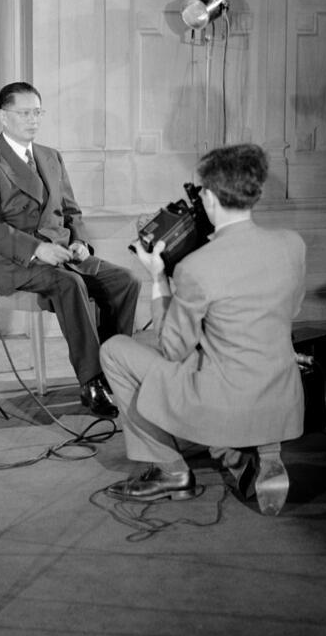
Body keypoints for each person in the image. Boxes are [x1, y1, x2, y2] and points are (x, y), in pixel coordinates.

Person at [99, 143, 307, 516]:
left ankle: (171, 470)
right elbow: (286, 311)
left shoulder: (196, 267)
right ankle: (258, 450)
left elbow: (172, 348)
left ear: (208, 196)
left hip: (226, 400)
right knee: (228, 345)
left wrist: (158, 278)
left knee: (114, 350)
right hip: (281, 397)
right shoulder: (292, 245)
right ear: (256, 192)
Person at [0, 81, 140, 416]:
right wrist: (37, 250)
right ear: (3, 116)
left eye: (37, 112)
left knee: (125, 281)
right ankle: (91, 381)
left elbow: (71, 211)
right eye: (24, 113)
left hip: (62, 253)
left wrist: (80, 242)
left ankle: (114, 369)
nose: (33, 120)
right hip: (15, 260)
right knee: (70, 284)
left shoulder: (50, 156)